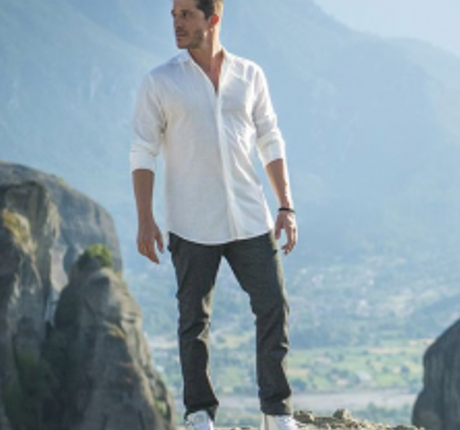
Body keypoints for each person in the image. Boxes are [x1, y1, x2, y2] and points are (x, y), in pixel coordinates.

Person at [130, 0, 299, 429]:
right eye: (173, 15)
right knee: (194, 321)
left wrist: (285, 205)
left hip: (250, 217)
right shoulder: (159, 81)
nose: (176, 23)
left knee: (273, 306)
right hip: (190, 221)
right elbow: (143, 151)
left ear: (213, 18)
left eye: (187, 14)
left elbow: (270, 140)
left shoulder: (250, 75)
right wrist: (145, 218)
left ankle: (276, 411)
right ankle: (199, 413)